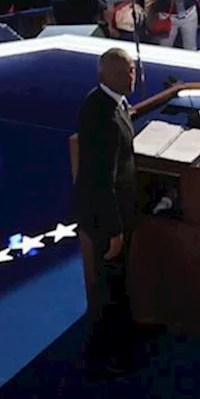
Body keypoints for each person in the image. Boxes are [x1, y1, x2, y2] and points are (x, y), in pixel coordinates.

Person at [73, 48, 139, 376]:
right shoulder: (103, 116)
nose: (131, 77)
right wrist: (114, 230)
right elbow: (101, 180)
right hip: (105, 218)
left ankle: (118, 342)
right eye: (123, 73)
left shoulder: (111, 103)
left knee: (117, 283)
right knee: (107, 289)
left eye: (132, 71)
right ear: (104, 76)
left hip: (113, 212)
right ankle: (101, 356)